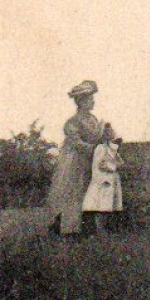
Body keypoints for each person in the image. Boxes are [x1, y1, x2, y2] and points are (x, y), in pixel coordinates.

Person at [46, 80, 119, 236]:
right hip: (74, 163)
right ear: (81, 102)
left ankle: (87, 228)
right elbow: (76, 142)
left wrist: (106, 135)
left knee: (90, 194)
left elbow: (97, 138)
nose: (93, 102)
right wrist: (93, 148)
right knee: (74, 193)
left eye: (92, 98)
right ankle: (66, 228)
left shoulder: (93, 119)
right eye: (90, 99)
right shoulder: (72, 122)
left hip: (90, 161)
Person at [82, 139, 124, 233]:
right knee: (100, 205)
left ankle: (105, 229)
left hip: (112, 179)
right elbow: (100, 165)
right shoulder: (100, 149)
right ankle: (99, 229)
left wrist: (116, 164)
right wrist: (114, 166)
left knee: (108, 205)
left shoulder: (113, 151)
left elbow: (121, 163)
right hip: (102, 179)